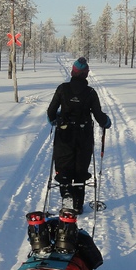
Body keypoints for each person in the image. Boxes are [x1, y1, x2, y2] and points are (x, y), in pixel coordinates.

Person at [46, 57, 111, 214]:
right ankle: (78, 203)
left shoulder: (62, 88)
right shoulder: (90, 92)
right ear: (86, 74)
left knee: (63, 167)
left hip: (64, 135)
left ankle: (66, 195)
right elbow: (98, 116)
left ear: (73, 72)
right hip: (84, 136)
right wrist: (106, 122)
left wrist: (56, 119)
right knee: (80, 169)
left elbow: (51, 113)